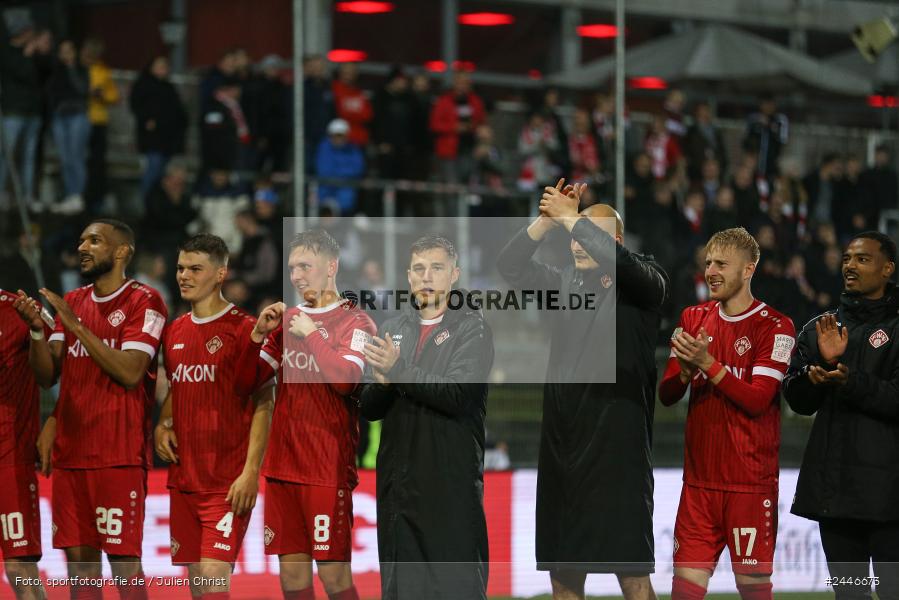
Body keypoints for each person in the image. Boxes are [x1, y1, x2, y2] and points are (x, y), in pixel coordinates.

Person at [497, 180, 668, 600]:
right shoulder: (563, 285)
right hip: (562, 450)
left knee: (632, 577)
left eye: (585, 234)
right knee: (564, 577)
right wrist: (545, 222)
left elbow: (626, 268)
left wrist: (573, 219)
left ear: (617, 240)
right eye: (572, 234)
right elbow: (510, 268)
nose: (576, 243)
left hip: (617, 452)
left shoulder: (643, 281)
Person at [17, 219, 167, 600]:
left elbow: (131, 372)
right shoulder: (73, 301)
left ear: (121, 252)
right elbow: (48, 375)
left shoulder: (144, 301)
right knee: (82, 573)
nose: (83, 246)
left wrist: (78, 327)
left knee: (125, 571)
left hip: (117, 457)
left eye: (95, 241)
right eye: (82, 240)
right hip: (71, 457)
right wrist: (37, 330)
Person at [236, 229, 376, 600]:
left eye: (305, 266)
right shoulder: (286, 320)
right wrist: (256, 335)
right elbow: (245, 382)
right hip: (282, 469)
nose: (296, 276)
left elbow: (346, 381)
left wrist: (312, 333)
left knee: (334, 581)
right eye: (292, 267)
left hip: (326, 470)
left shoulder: (356, 322)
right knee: (293, 584)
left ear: (331, 267)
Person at [658, 227, 796, 600]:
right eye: (707, 263)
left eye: (722, 263)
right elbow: (667, 395)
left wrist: (707, 362)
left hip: (750, 487)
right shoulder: (693, 317)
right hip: (699, 487)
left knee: (753, 592)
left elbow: (757, 399)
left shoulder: (776, 326)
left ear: (749, 269)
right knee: (684, 593)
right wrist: (686, 372)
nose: (711, 271)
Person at [359, 235, 494, 600]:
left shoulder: (472, 328)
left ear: (454, 274)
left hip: (449, 486)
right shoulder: (391, 330)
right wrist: (385, 382)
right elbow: (368, 408)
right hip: (399, 488)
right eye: (419, 268)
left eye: (436, 268)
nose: (426, 276)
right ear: (408, 276)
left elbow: (457, 395)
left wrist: (398, 370)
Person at [155, 233, 274, 598]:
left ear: (221, 274)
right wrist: (164, 423)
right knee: (198, 588)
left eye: (195, 268)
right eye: (180, 268)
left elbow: (265, 402)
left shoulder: (245, 329)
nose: (183, 276)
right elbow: (179, 388)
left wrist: (251, 472)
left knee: (212, 580)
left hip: (227, 482)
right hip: (184, 480)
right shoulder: (174, 330)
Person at [783, 231, 899, 600]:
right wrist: (819, 369)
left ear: (887, 269)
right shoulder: (821, 329)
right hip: (837, 499)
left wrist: (850, 380)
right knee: (851, 596)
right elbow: (797, 399)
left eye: (863, 259)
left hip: (890, 500)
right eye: (848, 258)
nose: (850, 265)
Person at [4, 288, 52, 599]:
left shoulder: (18, 309)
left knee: (19, 569)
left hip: (8, 457)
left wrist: (53, 424)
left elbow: (58, 365)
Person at [130, 55, 188, 198]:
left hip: (168, 138)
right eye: (159, 66)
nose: (163, 69)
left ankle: (155, 205)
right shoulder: (143, 85)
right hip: (152, 139)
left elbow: (178, 112)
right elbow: (137, 107)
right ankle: (147, 205)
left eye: (165, 66)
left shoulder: (169, 87)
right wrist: (147, 121)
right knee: (152, 171)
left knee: (161, 173)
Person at [46, 39, 90, 215]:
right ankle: (69, 195)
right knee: (65, 159)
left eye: (69, 50)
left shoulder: (81, 69)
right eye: (62, 51)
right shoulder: (56, 71)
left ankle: (77, 195)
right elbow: (50, 92)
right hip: (60, 116)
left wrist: (72, 67)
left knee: (76, 156)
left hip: (77, 116)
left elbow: (82, 88)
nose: (66, 55)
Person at [80, 37, 119, 213]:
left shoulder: (102, 70)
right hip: (81, 119)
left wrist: (101, 95)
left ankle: (95, 199)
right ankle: (81, 196)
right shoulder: (77, 69)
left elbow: (114, 96)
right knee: (81, 161)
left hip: (98, 120)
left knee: (97, 163)